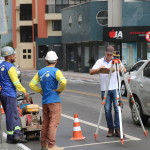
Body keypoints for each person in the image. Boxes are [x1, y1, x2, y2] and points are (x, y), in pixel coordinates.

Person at [29, 51, 67, 150]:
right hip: (54, 100)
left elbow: (31, 84)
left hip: (45, 100)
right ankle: (51, 145)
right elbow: (63, 81)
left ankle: (44, 145)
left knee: (46, 123)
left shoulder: (40, 72)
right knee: (53, 123)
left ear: (46, 61)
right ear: (56, 61)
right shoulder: (56, 71)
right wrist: (60, 90)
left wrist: (40, 91)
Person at [89, 46, 126, 137]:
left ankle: (118, 129)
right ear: (105, 53)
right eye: (108, 54)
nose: (109, 56)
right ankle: (110, 129)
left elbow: (124, 70)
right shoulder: (100, 61)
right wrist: (100, 69)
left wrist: (116, 69)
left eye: (110, 54)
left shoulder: (117, 61)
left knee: (117, 109)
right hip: (104, 89)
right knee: (107, 110)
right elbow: (91, 71)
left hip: (115, 88)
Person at [0, 46, 29, 144]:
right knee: (11, 115)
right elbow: (16, 82)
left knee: (14, 114)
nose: (15, 56)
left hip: (3, 94)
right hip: (9, 94)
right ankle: (11, 137)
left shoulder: (1, 66)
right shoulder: (10, 67)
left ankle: (16, 134)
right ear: (8, 56)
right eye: (13, 55)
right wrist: (24, 91)